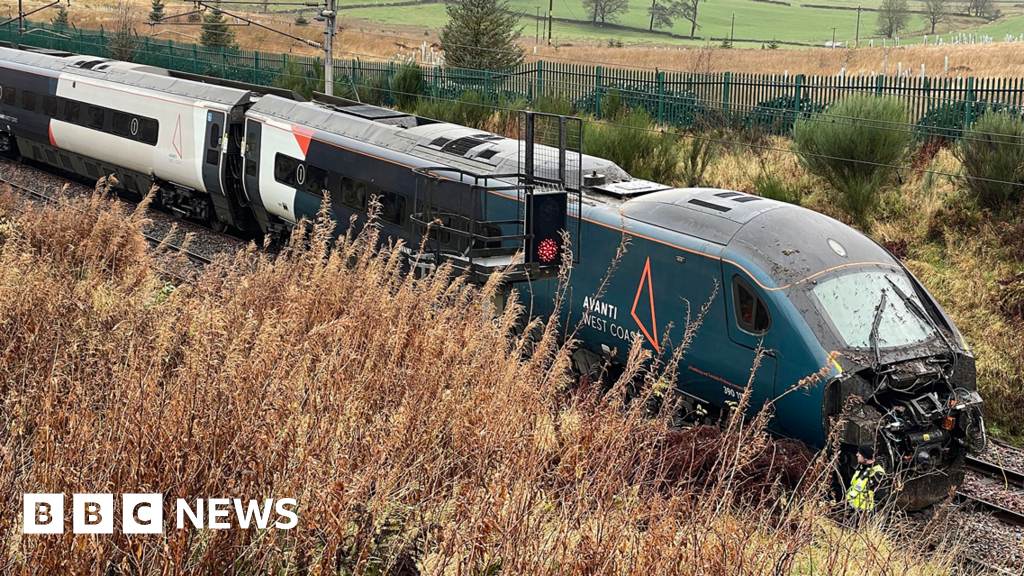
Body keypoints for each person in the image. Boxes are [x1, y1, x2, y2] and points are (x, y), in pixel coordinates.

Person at [845, 443, 886, 521]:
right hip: (854, 513)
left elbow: (880, 499)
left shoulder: (877, 474)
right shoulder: (860, 468)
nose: (857, 455)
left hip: (866, 516)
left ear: (866, 457)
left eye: (859, 453)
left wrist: (873, 518)